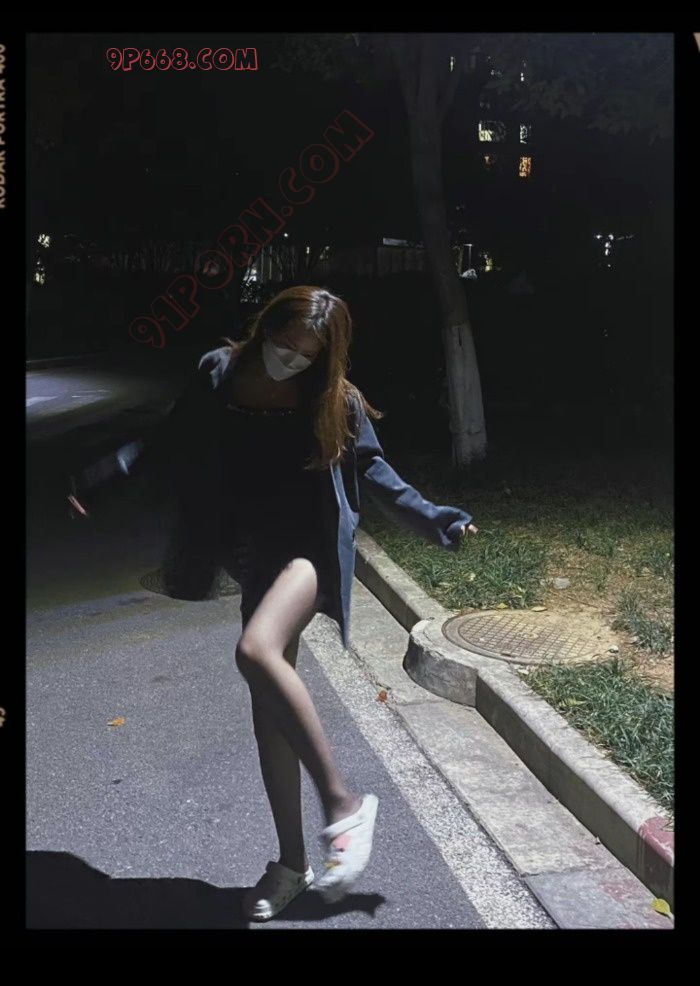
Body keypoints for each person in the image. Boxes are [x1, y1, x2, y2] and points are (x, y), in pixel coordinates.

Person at [69, 285, 478, 921]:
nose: (290, 359)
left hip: (306, 551)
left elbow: (374, 471)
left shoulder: (334, 399)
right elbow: (172, 437)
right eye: (283, 344)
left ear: (326, 357)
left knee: (256, 650)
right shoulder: (220, 372)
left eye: (306, 354)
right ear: (265, 327)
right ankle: (291, 865)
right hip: (250, 550)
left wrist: (437, 519)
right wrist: (107, 475)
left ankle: (343, 804)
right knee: (270, 708)